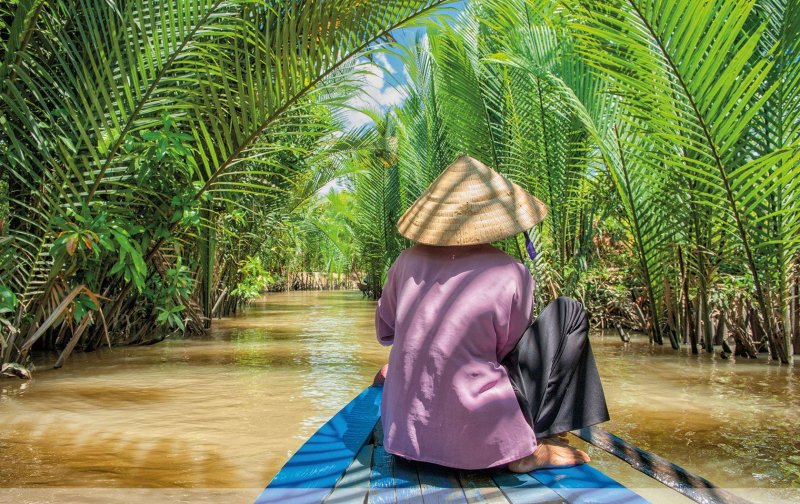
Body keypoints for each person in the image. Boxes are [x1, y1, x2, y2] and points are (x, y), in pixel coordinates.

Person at [373, 155, 609, 472]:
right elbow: (508, 352)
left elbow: (386, 330)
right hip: (483, 447)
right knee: (569, 311)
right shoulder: (512, 272)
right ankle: (531, 445)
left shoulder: (405, 262)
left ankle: (526, 439)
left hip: (404, 441)